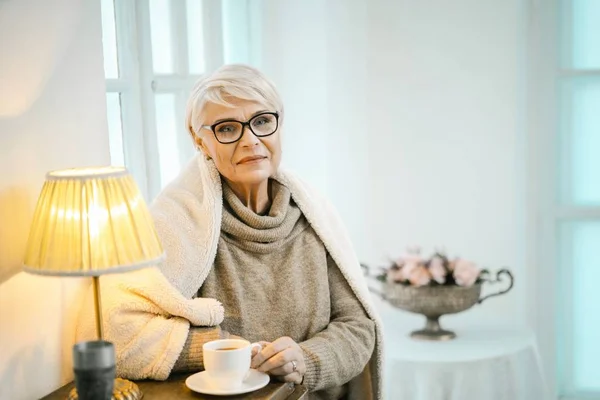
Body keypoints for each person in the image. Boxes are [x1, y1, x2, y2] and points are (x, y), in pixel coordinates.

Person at [76, 64, 383, 399]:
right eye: (227, 128)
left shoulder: (314, 215)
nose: (251, 140)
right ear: (200, 141)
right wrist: (219, 346)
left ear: (280, 124)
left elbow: (358, 327)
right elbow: (115, 335)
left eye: (263, 121)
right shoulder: (173, 223)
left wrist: (303, 360)